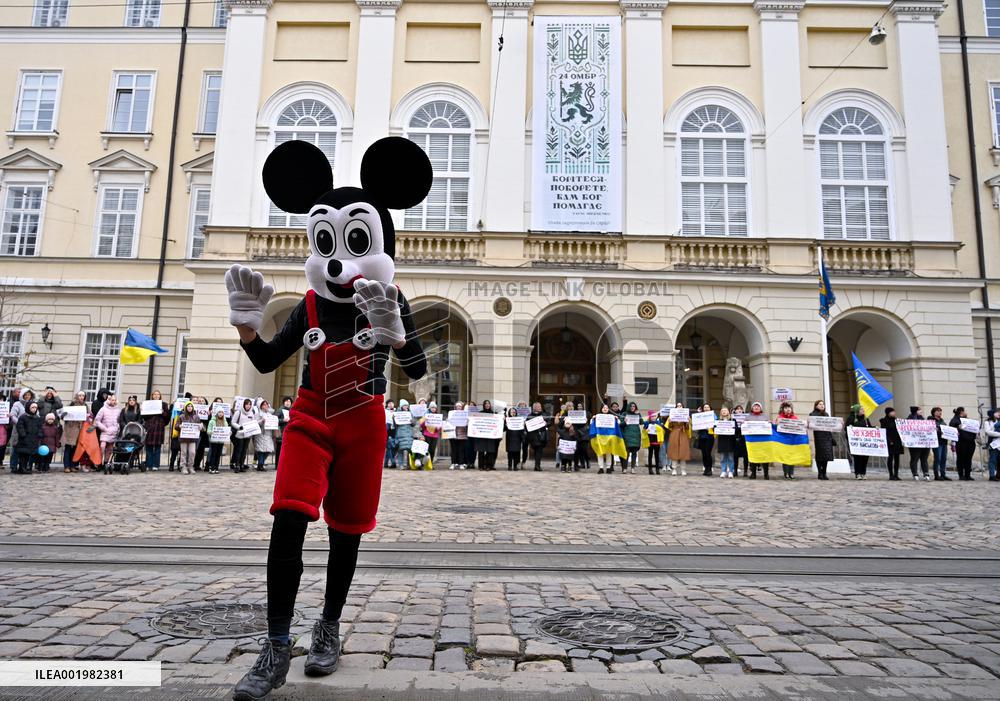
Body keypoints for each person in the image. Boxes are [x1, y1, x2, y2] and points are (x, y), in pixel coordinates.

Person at [61, 391, 88, 471]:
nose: (81, 397)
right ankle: (66, 466)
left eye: (83, 396)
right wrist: (64, 415)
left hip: (80, 429)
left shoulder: (85, 405)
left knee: (75, 449)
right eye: (80, 395)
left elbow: (89, 415)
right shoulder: (72, 404)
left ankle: (73, 465)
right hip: (70, 428)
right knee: (68, 448)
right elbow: (63, 414)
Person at [173, 401, 203, 475]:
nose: (190, 408)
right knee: (183, 452)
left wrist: (201, 427)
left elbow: (200, 427)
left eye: (191, 406)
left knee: (192, 452)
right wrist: (179, 426)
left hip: (192, 438)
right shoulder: (181, 416)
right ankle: (183, 466)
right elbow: (176, 425)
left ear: (193, 407)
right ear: (186, 407)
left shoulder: (196, 416)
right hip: (183, 438)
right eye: (188, 406)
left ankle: (190, 466)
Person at [143, 390, 169, 470]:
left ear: (160, 396)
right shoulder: (148, 403)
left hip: (159, 427)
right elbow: (144, 417)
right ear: (152, 396)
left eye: (158, 394)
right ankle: (148, 464)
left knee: (157, 447)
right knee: (149, 446)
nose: (156, 396)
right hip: (150, 426)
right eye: (155, 394)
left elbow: (167, 416)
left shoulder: (164, 404)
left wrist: (163, 412)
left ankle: (155, 465)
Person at [93, 394, 121, 470]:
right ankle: (98, 462)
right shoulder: (103, 409)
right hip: (105, 431)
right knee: (102, 446)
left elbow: (119, 421)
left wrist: (116, 428)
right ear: (109, 400)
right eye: (112, 400)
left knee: (110, 448)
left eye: (115, 400)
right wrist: (104, 428)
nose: (113, 401)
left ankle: (106, 463)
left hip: (113, 431)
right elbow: (97, 420)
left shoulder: (118, 410)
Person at [14, 401, 42, 474]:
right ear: (28, 408)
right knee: (23, 455)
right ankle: (22, 468)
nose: (34, 409)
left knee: (27, 455)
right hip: (24, 439)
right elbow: (20, 426)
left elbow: (39, 427)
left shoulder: (37, 418)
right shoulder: (23, 417)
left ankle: (24, 468)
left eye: (35, 407)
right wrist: (23, 434)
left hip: (33, 439)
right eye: (32, 407)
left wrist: (39, 434)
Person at [231, 398, 258, 473]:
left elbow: (253, 422)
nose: (248, 406)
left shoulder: (251, 413)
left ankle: (241, 464)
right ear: (244, 405)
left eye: (249, 404)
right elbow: (233, 422)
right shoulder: (238, 412)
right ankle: (237, 465)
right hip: (240, 434)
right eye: (247, 404)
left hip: (248, 435)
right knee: (238, 450)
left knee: (244, 451)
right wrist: (239, 427)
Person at [846, 404, 872, 479]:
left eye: (863, 409)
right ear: (857, 411)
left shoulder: (866, 419)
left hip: (865, 442)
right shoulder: (851, 418)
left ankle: (863, 473)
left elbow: (869, 428)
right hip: (856, 443)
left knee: (865, 458)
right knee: (858, 458)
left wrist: (874, 428)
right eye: (861, 409)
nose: (863, 411)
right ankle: (858, 473)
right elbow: (847, 429)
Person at [809, 400, 833, 481]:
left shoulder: (826, 414)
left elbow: (830, 425)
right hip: (819, 437)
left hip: (827, 436)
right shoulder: (813, 414)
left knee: (826, 455)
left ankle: (824, 472)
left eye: (823, 404)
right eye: (820, 404)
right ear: (816, 406)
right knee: (820, 455)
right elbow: (811, 424)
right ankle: (820, 472)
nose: (822, 405)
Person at [906, 406, 931, 481]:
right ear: (915, 411)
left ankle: (926, 473)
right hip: (915, 443)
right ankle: (915, 473)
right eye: (919, 410)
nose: (921, 411)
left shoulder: (922, 419)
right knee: (914, 458)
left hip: (924, 442)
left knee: (924, 459)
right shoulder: (909, 419)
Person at [951, 407, 976, 481]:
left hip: (970, 442)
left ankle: (968, 475)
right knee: (961, 459)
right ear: (961, 412)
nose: (966, 412)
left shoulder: (967, 420)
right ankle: (961, 475)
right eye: (964, 411)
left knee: (968, 459)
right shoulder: (955, 420)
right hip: (961, 442)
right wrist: (959, 428)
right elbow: (952, 430)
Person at [776, 401, 799, 479]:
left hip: (792, 440)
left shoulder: (795, 418)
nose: (788, 409)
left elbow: (799, 428)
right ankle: (785, 472)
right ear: (782, 409)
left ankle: (791, 472)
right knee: (785, 457)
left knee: (791, 456)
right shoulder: (780, 418)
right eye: (786, 408)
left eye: (789, 408)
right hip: (783, 440)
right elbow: (776, 427)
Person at [746, 401, 769, 479]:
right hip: (752, 440)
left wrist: (770, 424)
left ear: (760, 408)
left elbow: (769, 427)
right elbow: (745, 427)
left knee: (765, 456)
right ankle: (753, 473)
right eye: (754, 406)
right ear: (752, 408)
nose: (756, 407)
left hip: (763, 439)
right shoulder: (748, 417)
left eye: (758, 406)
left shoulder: (765, 417)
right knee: (753, 456)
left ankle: (766, 474)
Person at [667, 402, 691, 476]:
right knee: (674, 450)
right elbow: (669, 426)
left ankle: (683, 469)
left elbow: (687, 428)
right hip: (674, 433)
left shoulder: (685, 415)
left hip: (682, 433)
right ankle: (674, 469)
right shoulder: (672, 415)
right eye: (677, 406)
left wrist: (687, 422)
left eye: (680, 406)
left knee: (683, 451)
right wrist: (670, 421)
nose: (679, 407)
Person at [880, 407, 903, 481]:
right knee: (890, 458)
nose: (894, 413)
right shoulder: (884, 421)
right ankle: (891, 474)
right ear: (888, 413)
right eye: (892, 412)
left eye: (894, 412)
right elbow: (885, 432)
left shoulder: (897, 420)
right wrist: (889, 440)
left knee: (897, 458)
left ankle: (896, 474)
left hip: (897, 441)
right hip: (890, 441)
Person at [474, 400, 498, 471]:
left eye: (488, 404)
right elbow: (476, 421)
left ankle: (489, 466)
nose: (487, 405)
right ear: (484, 405)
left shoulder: (494, 413)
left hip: (490, 436)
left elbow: (497, 423)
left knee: (490, 451)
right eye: (486, 404)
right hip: (482, 435)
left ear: (490, 405)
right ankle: (481, 466)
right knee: (481, 451)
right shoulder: (480, 413)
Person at [255, 401, 278, 472]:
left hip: (268, 434)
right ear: (261, 406)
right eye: (264, 405)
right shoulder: (258, 414)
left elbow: (273, 422)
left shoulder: (270, 414)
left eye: (266, 404)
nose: (265, 406)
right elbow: (255, 423)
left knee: (268, 450)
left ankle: (261, 463)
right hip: (261, 433)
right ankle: (260, 465)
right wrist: (262, 421)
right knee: (261, 450)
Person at [620, 402, 643, 474]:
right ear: (629, 407)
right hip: (627, 435)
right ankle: (624, 468)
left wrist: (639, 414)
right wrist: (624, 421)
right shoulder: (624, 414)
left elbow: (641, 422)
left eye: (634, 406)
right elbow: (620, 424)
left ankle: (633, 468)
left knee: (634, 452)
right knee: (626, 452)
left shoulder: (637, 414)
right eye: (631, 406)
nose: (633, 407)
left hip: (636, 435)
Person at [525, 401, 548, 472]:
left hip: (542, 436)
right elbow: (527, 425)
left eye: (540, 406)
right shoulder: (529, 415)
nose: (540, 408)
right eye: (538, 407)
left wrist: (546, 423)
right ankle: (537, 465)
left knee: (539, 451)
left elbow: (549, 422)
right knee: (537, 450)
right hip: (533, 436)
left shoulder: (544, 414)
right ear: (534, 408)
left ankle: (537, 465)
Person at [695, 403, 716, 476]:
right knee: (703, 453)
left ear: (710, 408)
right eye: (705, 407)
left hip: (709, 436)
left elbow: (716, 424)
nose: (706, 408)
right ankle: (705, 468)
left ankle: (709, 468)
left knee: (708, 453)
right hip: (702, 436)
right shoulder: (700, 415)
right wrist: (698, 413)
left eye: (708, 407)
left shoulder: (713, 415)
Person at [931, 407, 951, 481]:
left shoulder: (942, 420)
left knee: (943, 458)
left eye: (940, 411)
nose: (940, 412)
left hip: (944, 442)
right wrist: (939, 431)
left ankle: (943, 474)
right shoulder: (931, 420)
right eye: (938, 411)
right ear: (934, 412)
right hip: (937, 442)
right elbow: (933, 429)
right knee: (937, 458)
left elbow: (946, 428)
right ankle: (936, 475)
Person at [207, 408, 228, 474]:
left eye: (222, 412)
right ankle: (211, 467)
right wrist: (212, 432)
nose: (220, 414)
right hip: (214, 441)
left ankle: (216, 467)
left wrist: (228, 433)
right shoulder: (212, 421)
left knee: (218, 454)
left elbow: (226, 429)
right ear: (216, 413)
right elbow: (208, 431)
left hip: (221, 441)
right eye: (219, 412)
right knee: (213, 454)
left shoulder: (225, 421)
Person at [394, 399, 414, 470]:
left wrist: (412, 422)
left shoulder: (410, 413)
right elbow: (395, 425)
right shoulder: (397, 413)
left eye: (407, 406)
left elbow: (413, 424)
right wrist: (395, 419)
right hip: (401, 433)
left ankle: (408, 464)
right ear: (401, 406)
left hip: (409, 434)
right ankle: (400, 464)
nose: (406, 407)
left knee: (409, 449)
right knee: (401, 450)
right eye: (404, 405)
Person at [716, 406, 736, 479]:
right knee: (723, 457)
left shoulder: (733, 420)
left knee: (730, 457)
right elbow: (715, 429)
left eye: (725, 410)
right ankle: (723, 471)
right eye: (722, 411)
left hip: (730, 441)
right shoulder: (718, 421)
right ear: (721, 412)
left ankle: (731, 471)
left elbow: (736, 430)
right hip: (722, 441)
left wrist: (733, 428)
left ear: (728, 412)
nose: (724, 412)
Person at [276, 396, 292, 468]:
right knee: (279, 450)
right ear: (283, 402)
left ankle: (283, 464)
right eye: (287, 401)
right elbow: (274, 420)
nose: (288, 403)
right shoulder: (280, 410)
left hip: (288, 433)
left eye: (289, 401)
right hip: (281, 432)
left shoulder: (291, 411)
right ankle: (277, 464)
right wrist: (282, 420)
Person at [733, 404, 748, 478]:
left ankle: (745, 471)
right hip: (735, 438)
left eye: (740, 409)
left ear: (742, 411)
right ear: (735, 411)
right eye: (737, 409)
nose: (739, 410)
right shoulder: (732, 418)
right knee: (735, 456)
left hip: (744, 438)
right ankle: (735, 470)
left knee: (746, 456)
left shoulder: (746, 418)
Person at [986, 408, 1000, 481]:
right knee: (993, 460)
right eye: (997, 412)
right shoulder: (987, 422)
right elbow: (988, 432)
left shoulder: (999, 421)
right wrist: (999, 434)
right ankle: (992, 475)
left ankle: (998, 475)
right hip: (993, 443)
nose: (999, 413)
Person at [383, 400, 398, 469]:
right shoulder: (385, 411)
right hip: (387, 430)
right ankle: (393, 462)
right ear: (387, 405)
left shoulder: (396, 411)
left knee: (392, 447)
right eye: (389, 403)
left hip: (395, 430)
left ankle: (385, 463)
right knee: (389, 447)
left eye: (392, 403)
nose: (391, 405)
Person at [516, 401, 530, 469]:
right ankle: (518, 462)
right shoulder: (515, 413)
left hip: (526, 433)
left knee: (525, 448)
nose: (522, 406)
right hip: (518, 433)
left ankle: (523, 462)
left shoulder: (529, 414)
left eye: (523, 404)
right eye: (520, 404)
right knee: (518, 448)